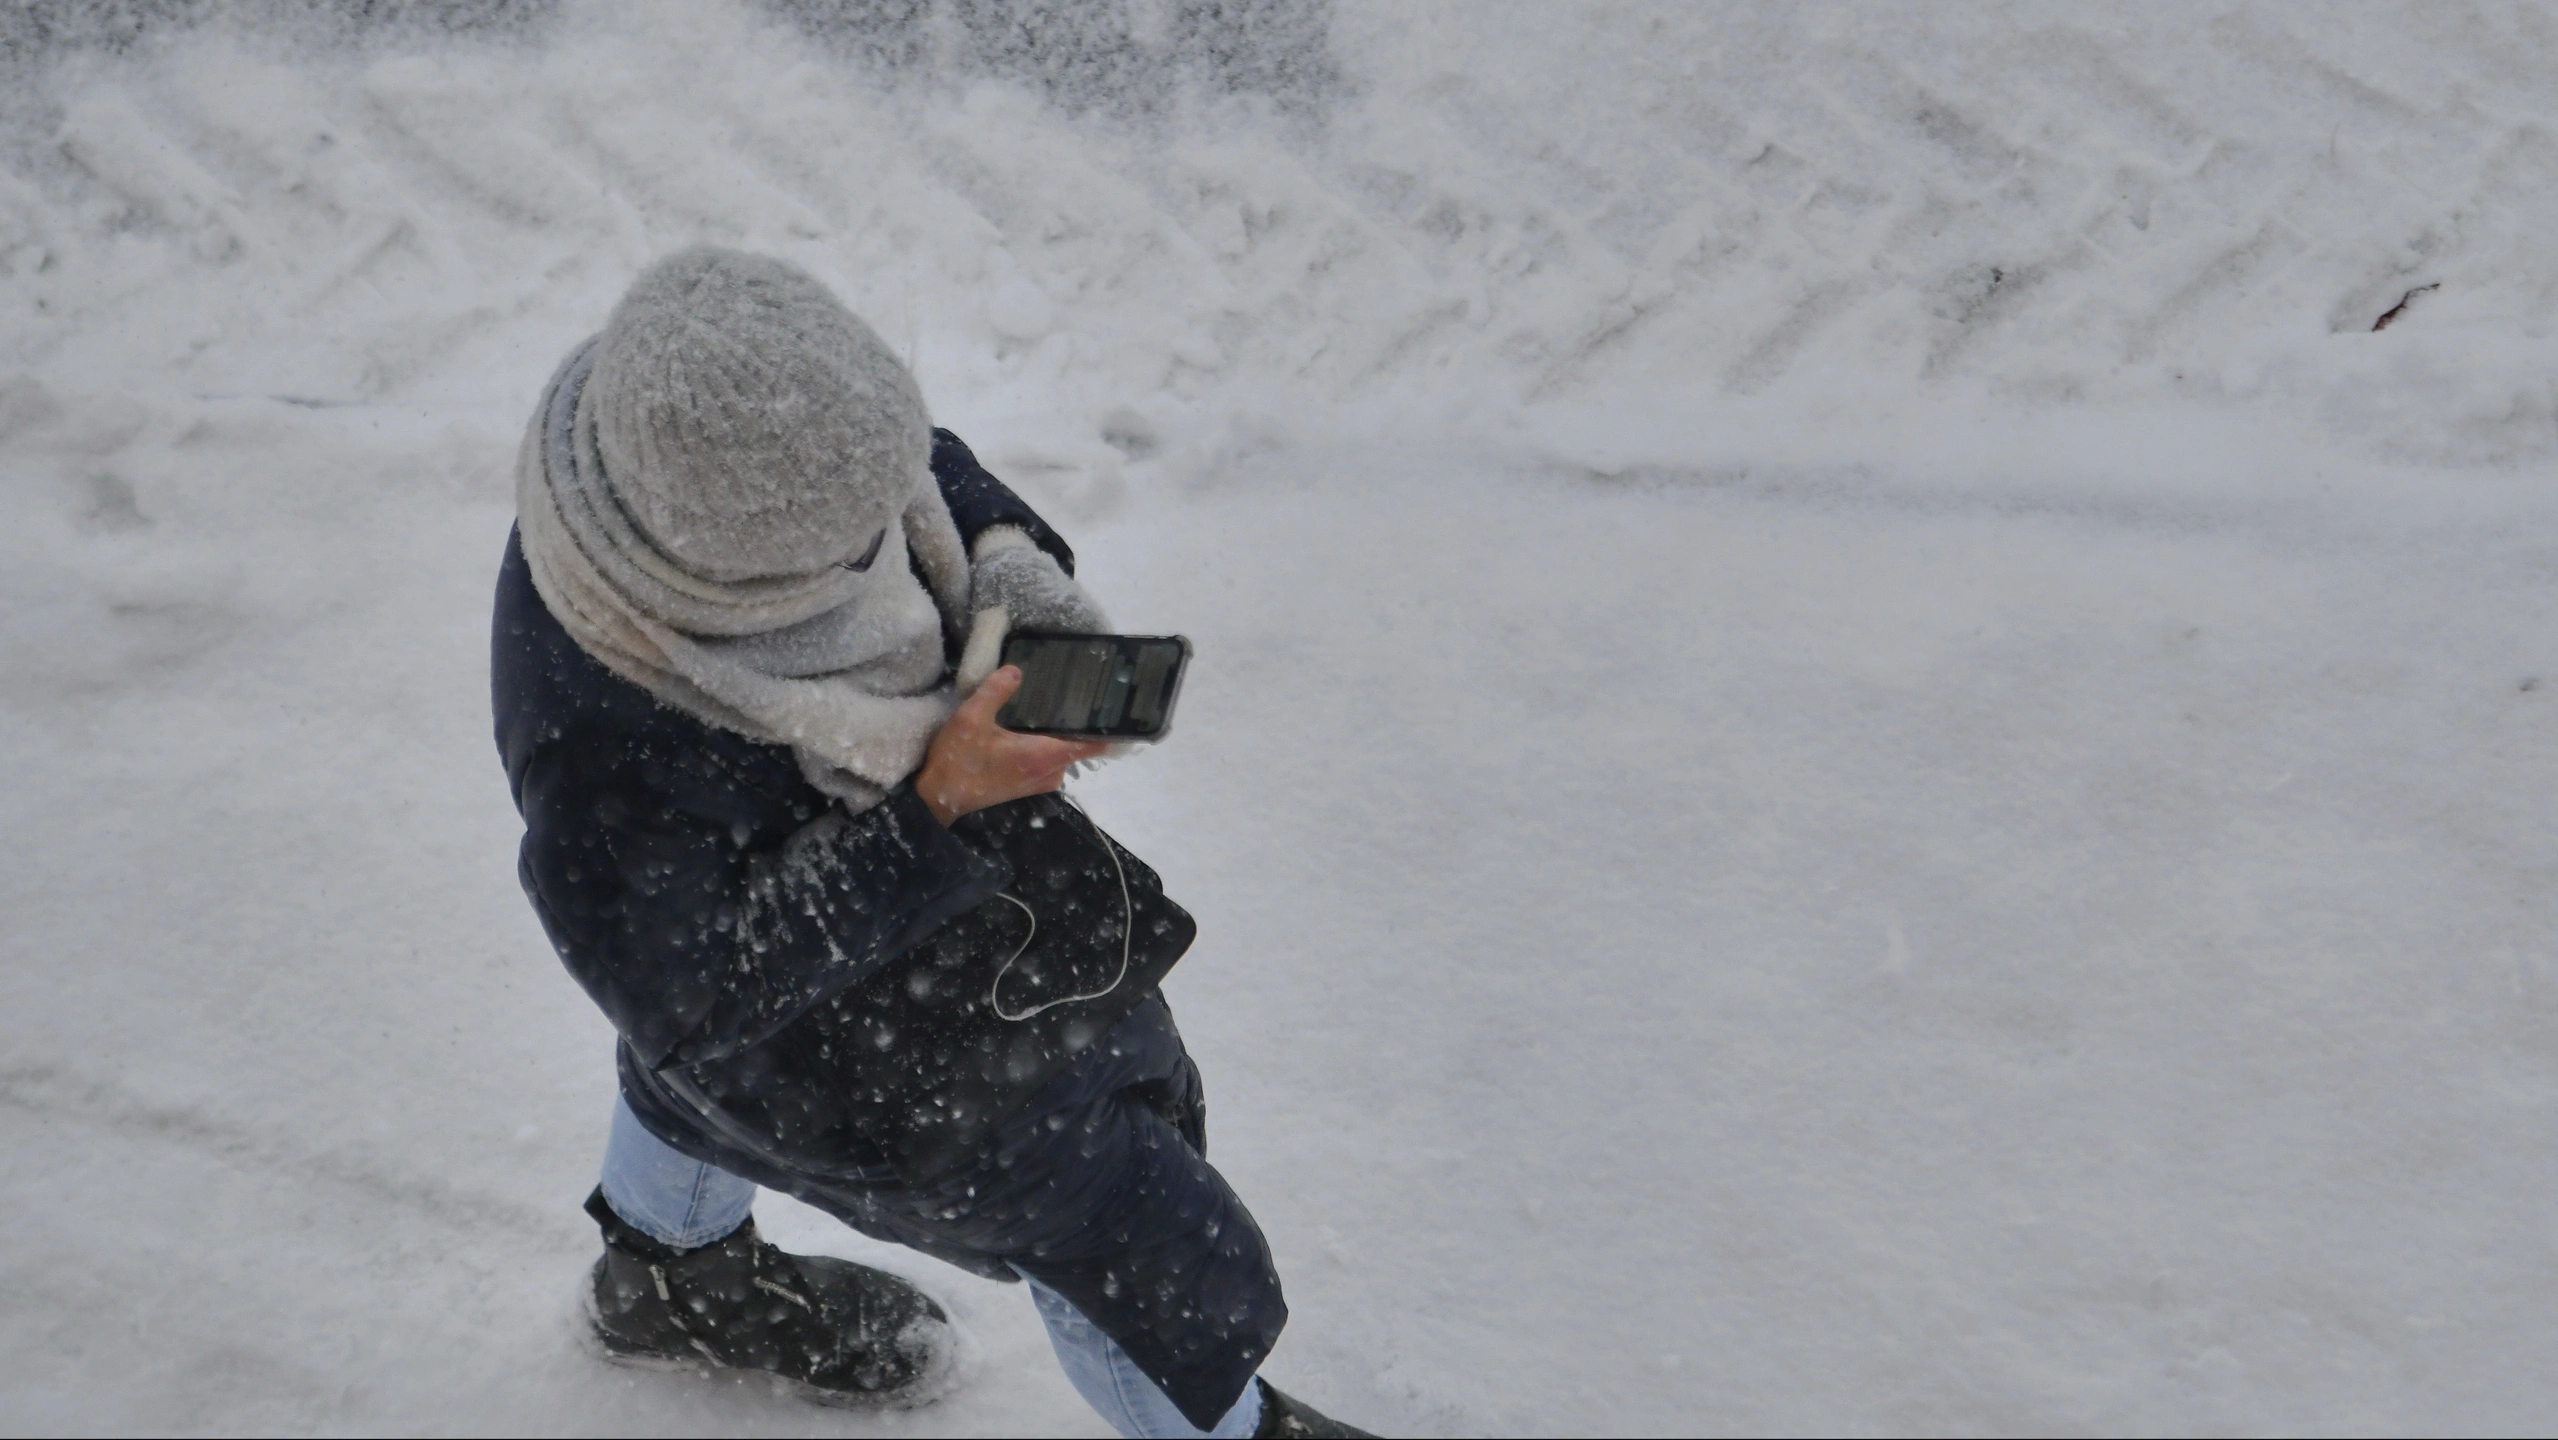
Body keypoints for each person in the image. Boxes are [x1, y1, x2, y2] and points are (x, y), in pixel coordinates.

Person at [490, 246, 1368, 1440]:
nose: (886, 550)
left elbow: (919, 469)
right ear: (733, 567)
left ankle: (666, 1276)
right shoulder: (606, 748)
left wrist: (1007, 560)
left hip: (854, 992)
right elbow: (689, 1004)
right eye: (850, 551)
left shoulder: (652, 452)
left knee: (686, 1100)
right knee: (1109, 1219)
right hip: (854, 1047)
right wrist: (932, 805)